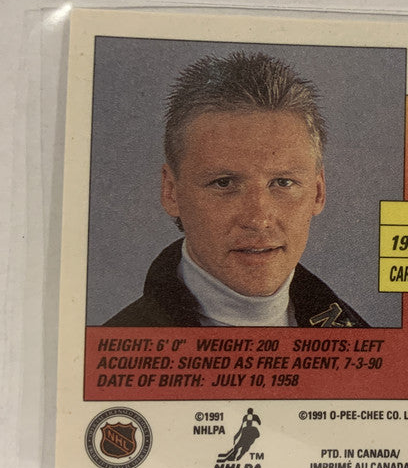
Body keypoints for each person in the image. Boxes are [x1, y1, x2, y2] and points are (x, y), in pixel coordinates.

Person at [105, 52, 368, 328]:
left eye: (282, 182)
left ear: (318, 191)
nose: (258, 220)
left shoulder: (366, 341)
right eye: (224, 183)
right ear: (171, 192)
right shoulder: (111, 347)